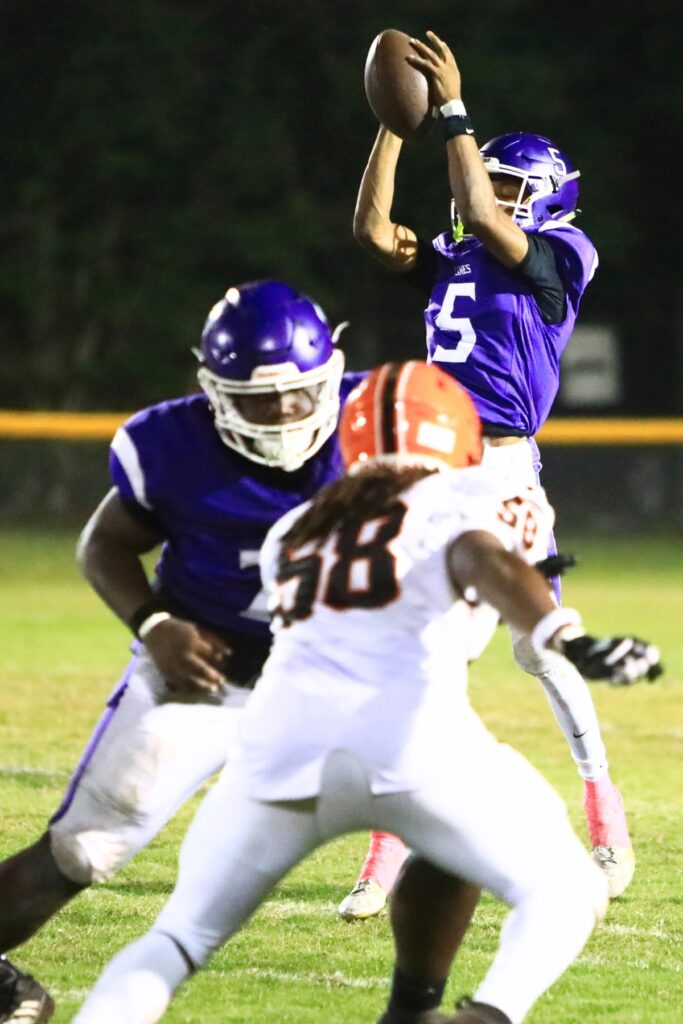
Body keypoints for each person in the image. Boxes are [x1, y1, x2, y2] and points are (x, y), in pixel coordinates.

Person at [71, 361, 660, 1024]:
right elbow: (476, 557)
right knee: (567, 890)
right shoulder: (470, 498)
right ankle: (481, 1016)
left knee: (176, 939)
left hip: (278, 752)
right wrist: (561, 630)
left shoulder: (293, 529)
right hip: (409, 744)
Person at [0, 279, 365, 1024]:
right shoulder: (169, 445)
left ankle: (424, 1003)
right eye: (258, 400)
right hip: (209, 675)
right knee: (83, 852)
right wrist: (152, 622)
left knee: (451, 821)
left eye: (300, 393)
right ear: (213, 390)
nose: (285, 413)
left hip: (349, 681)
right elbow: (105, 543)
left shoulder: (388, 422)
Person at [340, 29, 635, 920]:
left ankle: (603, 810)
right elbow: (369, 232)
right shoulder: (461, 248)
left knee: (537, 644)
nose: (484, 202)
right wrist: (396, 127)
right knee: (409, 647)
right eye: (489, 185)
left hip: (503, 466)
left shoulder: (561, 254)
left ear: (542, 199)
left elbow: (484, 206)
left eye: (509, 190)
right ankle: (386, 849)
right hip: (423, 461)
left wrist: (457, 113)